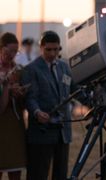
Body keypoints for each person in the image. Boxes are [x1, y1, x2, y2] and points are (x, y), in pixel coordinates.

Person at [22, 30, 77, 180]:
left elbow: (75, 90)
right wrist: (37, 112)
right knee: (38, 173)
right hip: (41, 131)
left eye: (56, 49)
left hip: (62, 132)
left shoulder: (64, 67)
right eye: (49, 49)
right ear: (41, 47)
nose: (53, 53)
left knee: (60, 174)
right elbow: (30, 98)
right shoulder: (31, 69)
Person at [0, 32, 27, 180]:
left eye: (15, 52)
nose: (12, 55)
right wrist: (6, 89)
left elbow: (25, 103)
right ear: (1, 48)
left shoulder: (19, 70)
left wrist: (20, 93)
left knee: (15, 170)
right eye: (9, 51)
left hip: (15, 122)